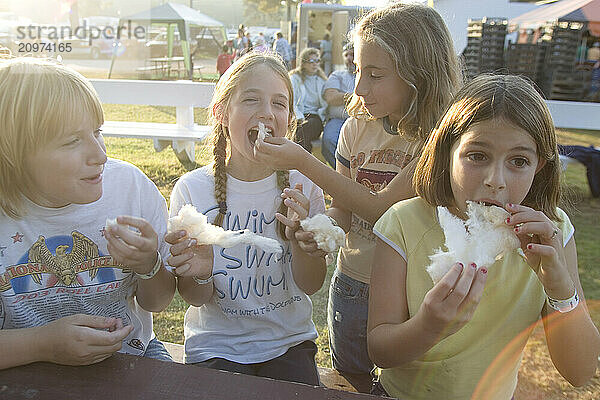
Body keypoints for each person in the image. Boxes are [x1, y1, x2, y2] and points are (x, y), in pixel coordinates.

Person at [254, 3, 461, 383]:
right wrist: (316, 229)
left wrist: (302, 159)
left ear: (419, 75)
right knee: (349, 382)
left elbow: (381, 210)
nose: (360, 87)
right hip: (351, 284)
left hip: (411, 295)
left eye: (375, 75)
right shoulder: (356, 129)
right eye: (357, 71)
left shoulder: (440, 141)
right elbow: (344, 213)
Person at [369, 74, 600, 399]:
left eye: (518, 161)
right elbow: (380, 350)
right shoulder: (403, 223)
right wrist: (429, 325)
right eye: (477, 156)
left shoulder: (552, 233)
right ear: (447, 153)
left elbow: (580, 371)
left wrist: (560, 286)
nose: (496, 180)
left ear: (540, 168)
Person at [0, 58, 177, 370]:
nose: (100, 155)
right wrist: (44, 345)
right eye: (72, 141)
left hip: (132, 355)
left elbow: (157, 303)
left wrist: (149, 264)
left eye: (97, 132)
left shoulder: (131, 190)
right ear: (14, 153)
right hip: (24, 367)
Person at [165, 52, 327, 386]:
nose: (267, 113)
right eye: (251, 100)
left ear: (290, 118)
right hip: (215, 345)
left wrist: (302, 242)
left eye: (279, 104)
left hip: (288, 342)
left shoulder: (304, 183)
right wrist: (199, 273)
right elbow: (195, 298)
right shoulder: (193, 190)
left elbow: (311, 284)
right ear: (221, 112)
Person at [321, 42, 356, 168]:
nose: (349, 58)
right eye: (346, 55)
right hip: (338, 120)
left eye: (352, 54)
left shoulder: (366, 76)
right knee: (329, 141)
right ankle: (343, 177)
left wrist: (342, 96)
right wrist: (357, 97)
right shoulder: (337, 75)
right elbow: (331, 98)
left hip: (361, 121)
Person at [289, 47, 328, 154]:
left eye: (317, 61)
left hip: (315, 118)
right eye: (311, 61)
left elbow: (325, 105)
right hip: (298, 117)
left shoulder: (322, 81)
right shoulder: (295, 78)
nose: (315, 64)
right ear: (304, 63)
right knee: (299, 130)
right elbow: (292, 101)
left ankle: (299, 163)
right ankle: (303, 163)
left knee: (304, 129)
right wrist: (300, 118)